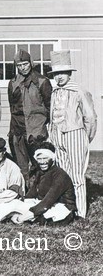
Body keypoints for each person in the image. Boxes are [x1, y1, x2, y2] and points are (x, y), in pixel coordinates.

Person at [0, 142, 76, 225]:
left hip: (61, 210)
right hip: (43, 205)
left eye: (45, 158)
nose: (42, 162)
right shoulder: (41, 172)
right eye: (39, 159)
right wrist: (22, 206)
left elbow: (47, 202)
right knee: (14, 204)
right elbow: (31, 194)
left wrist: (22, 217)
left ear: (52, 158)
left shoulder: (60, 175)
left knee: (15, 207)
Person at [48, 50, 97, 218]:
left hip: (74, 134)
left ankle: (81, 212)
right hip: (57, 136)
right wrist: (52, 134)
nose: (60, 76)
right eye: (56, 73)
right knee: (63, 174)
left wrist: (85, 137)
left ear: (69, 73)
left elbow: (90, 116)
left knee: (77, 175)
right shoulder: (55, 91)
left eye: (63, 73)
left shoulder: (78, 91)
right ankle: (68, 208)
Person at [8, 49, 52, 186]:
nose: (23, 68)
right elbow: (12, 107)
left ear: (31, 63)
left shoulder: (42, 81)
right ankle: (25, 194)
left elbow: (49, 107)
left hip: (36, 130)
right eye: (19, 65)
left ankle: (44, 192)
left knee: (40, 163)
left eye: (25, 64)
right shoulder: (13, 82)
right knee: (21, 166)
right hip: (17, 130)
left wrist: (43, 127)